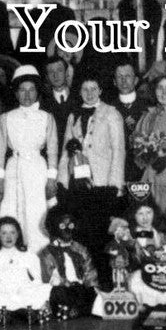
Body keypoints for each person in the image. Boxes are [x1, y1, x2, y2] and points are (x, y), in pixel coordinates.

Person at [58, 76, 125, 277]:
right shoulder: (74, 115)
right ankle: (86, 278)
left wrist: (116, 185)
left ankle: (105, 278)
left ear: (100, 90)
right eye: (85, 89)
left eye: (93, 88)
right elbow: (65, 150)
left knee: (101, 234)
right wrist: (62, 180)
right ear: (79, 92)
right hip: (78, 184)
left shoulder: (111, 113)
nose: (89, 93)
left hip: (102, 183)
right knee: (81, 232)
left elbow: (118, 150)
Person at [0, 66, 59, 252]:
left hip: (37, 168)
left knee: (36, 211)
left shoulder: (46, 117)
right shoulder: (6, 118)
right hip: (13, 168)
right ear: (16, 93)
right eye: (22, 90)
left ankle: (39, 255)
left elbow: (53, 151)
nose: (27, 95)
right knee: (11, 209)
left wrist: (51, 179)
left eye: (31, 90)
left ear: (38, 92)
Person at [132, 75, 166, 229]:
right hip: (152, 174)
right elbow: (137, 142)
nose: (164, 92)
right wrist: (146, 154)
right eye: (160, 87)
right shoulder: (149, 115)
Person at [0, 216, 51, 314]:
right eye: (4, 233)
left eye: (12, 232)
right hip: (0, 294)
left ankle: (22, 312)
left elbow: (37, 280)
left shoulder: (28, 254)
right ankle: (5, 314)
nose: (9, 237)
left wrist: (28, 290)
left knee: (46, 288)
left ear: (18, 234)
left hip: (21, 294)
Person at [37, 207, 98, 318]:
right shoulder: (46, 252)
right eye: (62, 226)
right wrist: (63, 282)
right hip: (61, 288)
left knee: (90, 294)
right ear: (54, 227)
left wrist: (91, 286)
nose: (67, 230)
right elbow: (46, 278)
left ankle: (74, 311)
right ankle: (71, 310)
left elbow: (90, 272)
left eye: (71, 225)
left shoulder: (81, 249)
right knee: (59, 293)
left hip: (79, 289)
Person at [109, 61, 147, 182]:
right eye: (119, 77)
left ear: (136, 80)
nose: (123, 80)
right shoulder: (108, 109)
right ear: (114, 82)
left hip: (144, 172)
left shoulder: (149, 107)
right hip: (116, 171)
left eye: (128, 76)